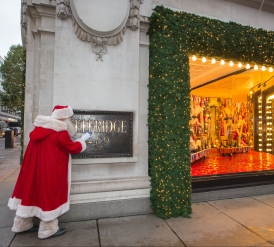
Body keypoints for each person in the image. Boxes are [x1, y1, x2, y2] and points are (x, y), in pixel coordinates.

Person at [7, 105, 91, 239]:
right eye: (69, 118)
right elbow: (73, 148)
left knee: (30, 192)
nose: (70, 121)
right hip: (50, 170)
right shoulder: (60, 132)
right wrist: (82, 140)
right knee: (50, 195)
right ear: (63, 118)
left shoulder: (39, 129)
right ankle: (48, 229)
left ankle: (21, 223)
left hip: (34, 169)